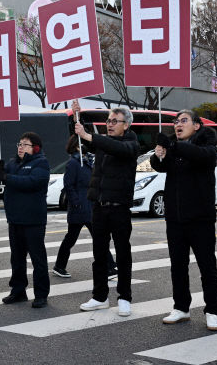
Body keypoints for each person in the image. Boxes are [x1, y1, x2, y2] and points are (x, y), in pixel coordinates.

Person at [151, 109, 217, 331]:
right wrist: (159, 154)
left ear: (197, 126)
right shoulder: (174, 146)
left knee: (207, 267)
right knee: (178, 267)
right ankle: (181, 307)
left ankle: (212, 310)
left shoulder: (207, 146)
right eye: (176, 121)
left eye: (183, 121)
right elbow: (159, 166)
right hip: (175, 218)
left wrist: (173, 147)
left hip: (200, 218)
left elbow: (202, 156)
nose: (177, 125)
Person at [73, 101, 138, 317]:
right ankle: (99, 296)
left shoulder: (130, 144)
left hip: (119, 207)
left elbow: (116, 147)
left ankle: (125, 297)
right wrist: (76, 114)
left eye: (114, 121)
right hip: (99, 206)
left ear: (126, 125)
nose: (110, 125)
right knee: (99, 254)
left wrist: (90, 136)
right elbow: (83, 139)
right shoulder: (103, 143)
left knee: (122, 253)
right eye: (108, 121)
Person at [0, 132, 50, 308]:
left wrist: (7, 177)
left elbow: (31, 182)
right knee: (16, 258)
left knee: (37, 259)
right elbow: (0, 179)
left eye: (25, 144)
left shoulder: (41, 163)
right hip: (15, 219)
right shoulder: (13, 163)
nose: (21, 147)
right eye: (20, 144)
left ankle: (41, 294)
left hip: (33, 220)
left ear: (36, 148)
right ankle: (18, 291)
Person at [51, 135, 116, 279]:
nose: (86, 145)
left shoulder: (89, 161)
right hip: (80, 207)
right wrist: (76, 203)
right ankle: (110, 266)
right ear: (77, 146)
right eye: (83, 143)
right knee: (73, 238)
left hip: (91, 205)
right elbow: (68, 185)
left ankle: (110, 266)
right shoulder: (74, 163)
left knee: (93, 236)